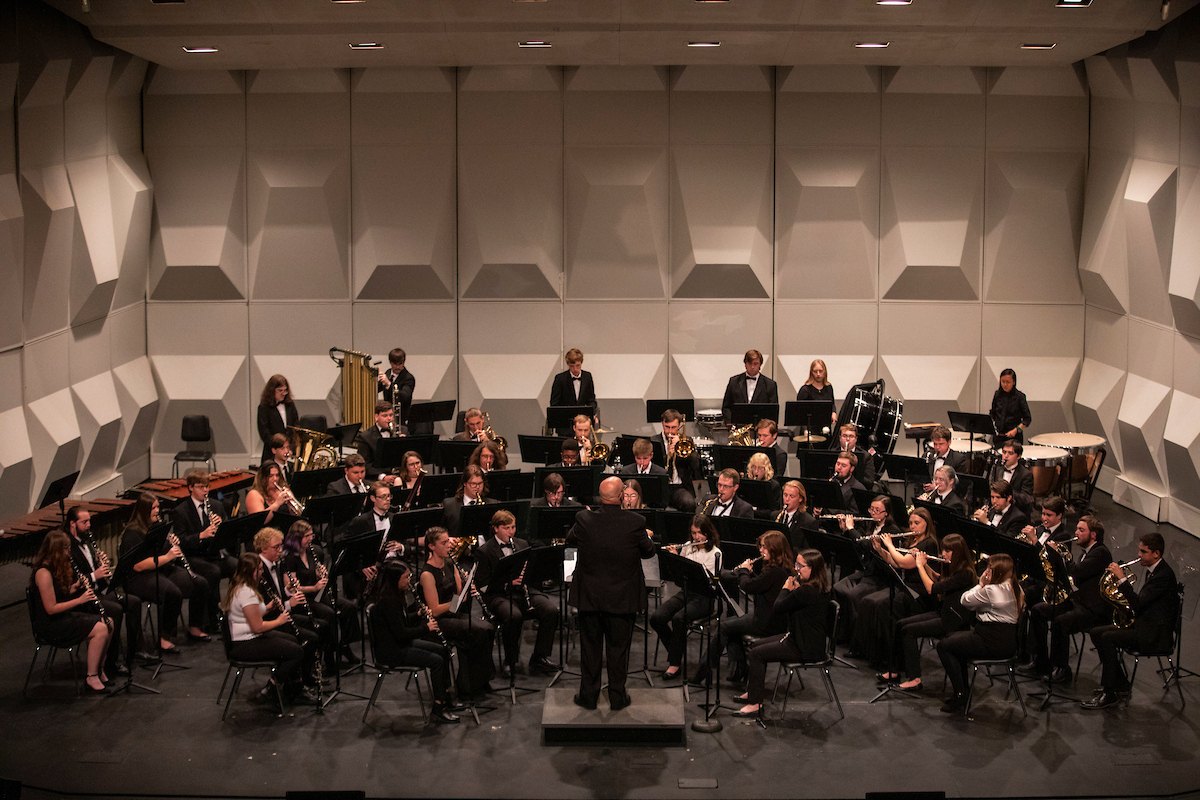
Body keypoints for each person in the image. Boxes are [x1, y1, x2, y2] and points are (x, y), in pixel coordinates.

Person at [566, 476, 657, 710]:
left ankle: (588, 696)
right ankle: (617, 697)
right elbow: (648, 553)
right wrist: (646, 536)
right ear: (620, 497)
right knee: (618, 650)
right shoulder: (635, 522)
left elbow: (570, 540)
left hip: (590, 596)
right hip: (621, 598)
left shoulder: (583, 519)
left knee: (590, 648)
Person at [1083, 532, 1179, 709]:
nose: (1139, 555)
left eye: (1143, 552)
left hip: (1154, 634)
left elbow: (1138, 603)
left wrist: (1122, 579)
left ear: (1156, 554)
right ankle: (1120, 684)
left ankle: (1109, 692)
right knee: (1096, 632)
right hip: (1145, 624)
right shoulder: (1155, 571)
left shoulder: (1163, 576)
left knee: (1107, 638)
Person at [734, 549, 832, 717]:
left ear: (813, 568)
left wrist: (786, 589)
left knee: (756, 653)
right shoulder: (819, 588)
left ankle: (755, 704)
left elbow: (778, 608)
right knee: (756, 645)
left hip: (804, 647)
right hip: (805, 640)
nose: (797, 569)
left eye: (801, 566)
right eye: (796, 564)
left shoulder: (805, 592)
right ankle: (753, 692)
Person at [700, 531, 794, 687]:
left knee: (725, 626)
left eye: (765, 547)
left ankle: (705, 669)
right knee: (731, 626)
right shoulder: (780, 568)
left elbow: (748, 586)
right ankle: (739, 667)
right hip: (769, 617)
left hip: (767, 622)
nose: (761, 551)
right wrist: (751, 573)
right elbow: (762, 584)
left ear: (775, 549)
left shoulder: (775, 571)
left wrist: (744, 571)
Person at [370, 560, 459, 723]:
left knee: (442, 650)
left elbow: (400, 622)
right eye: (406, 577)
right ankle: (439, 708)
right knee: (437, 661)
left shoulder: (396, 596)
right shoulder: (387, 602)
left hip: (400, 645)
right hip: (392, 652)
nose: (409, 580)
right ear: (396, 579)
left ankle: (445, 695)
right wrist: (427, 628)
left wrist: (417, 615)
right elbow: (402, 634)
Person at [1026, 515, 1113, 683]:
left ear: (1093, 534)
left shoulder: (1100, 552)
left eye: (1081, 530)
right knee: (1038, 610)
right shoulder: (1086, 552)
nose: (1076, 533)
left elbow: (1075, 572)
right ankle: (1040, 660)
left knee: (1060, 622)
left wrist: (1058, 554)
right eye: (1077, 529)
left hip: (1092, 609)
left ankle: (1062, 669)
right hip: (1077, 601)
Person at [852, 504, 939, 670]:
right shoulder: (912, 541)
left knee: (885, 607)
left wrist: (889, 544)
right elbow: (894, 563)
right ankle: (874, 655)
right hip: (906, 588)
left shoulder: (929, 544)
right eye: (911, 523)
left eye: (917, 523)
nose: (912, 526)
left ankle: (891, 662)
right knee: (872, 603)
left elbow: (904, 563)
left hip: (919, 594)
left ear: (926, 524)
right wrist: (880, 550)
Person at [119, 493, 211, 649]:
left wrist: (172, 545)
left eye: (157, 507)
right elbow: (138, 566)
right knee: (172, 593)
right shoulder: (132, 534)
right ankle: (164, 636)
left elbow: (165, 554)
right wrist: (169, 556)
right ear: (143, 510)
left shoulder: (157, 527)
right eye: (153, 508)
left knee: (199, 583)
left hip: (162, 569)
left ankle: (194, 627)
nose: (157, 511)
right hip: (139, 577)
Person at [475, 510, 559, 677]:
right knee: (514, 616)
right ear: (496, 529)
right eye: (507, 528)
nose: (511, 531)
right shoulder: (484, 551)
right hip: (498, 595)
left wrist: (525, 576)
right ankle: (510, 660)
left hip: (522, 590)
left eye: (513, 527)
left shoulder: (522, 544)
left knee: (551, 610)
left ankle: (539, 657)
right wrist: (508, 582)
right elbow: (483, 584)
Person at [937, 553, 1023, 714]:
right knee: (952, 640)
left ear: (996, 572)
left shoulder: (991, 590)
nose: (986, 570)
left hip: (990, 641)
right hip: (1008, 642)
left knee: (944, 646)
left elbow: (964, 600)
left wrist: (981, 584)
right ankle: (963, 689)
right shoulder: (1016, 588)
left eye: (990, 567)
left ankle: (961, 693)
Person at [890, 534, 978, 691]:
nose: (943, 554)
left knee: (908, 631)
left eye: (948, 551)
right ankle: (895, 671)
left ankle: (914, 679)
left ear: (958, 551)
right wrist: (924, 564)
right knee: (901, 624)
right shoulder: (955, 568)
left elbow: (932, 588)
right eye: (943, 550)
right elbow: (939, 580)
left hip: (953, 621)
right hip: (943, 613)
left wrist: (919, 566)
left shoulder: (966, 573)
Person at [66, 506, 146, 673]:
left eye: (89, 521)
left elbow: (91, 573)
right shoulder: (68, 548)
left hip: (97, 592)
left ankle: (136, 650)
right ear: (72, 524)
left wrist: (100, 565)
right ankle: (110, 662)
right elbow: (73, 581)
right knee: (115, 610)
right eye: (84, 522)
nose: (88, 525)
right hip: (82, 598)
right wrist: (95, 574)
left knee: (133, 602)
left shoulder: (86, 543)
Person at [31, 530, 112, 693]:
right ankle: (91, 677)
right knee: (101, 629)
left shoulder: (54, 568)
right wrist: (80, 600)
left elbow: (60, 594)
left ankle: (99, 668)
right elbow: (51, 608)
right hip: (51, 624)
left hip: (62, 617)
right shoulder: (43, 573)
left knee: (108, 622)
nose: (68, 553)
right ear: (55, 550)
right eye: (65, 549)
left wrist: (74, 588)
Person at [420, 526, 496, 698]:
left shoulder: (450, 563)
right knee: (479, 631)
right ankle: (468, 686)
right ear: (431, 546)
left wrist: (466, 584)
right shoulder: (427, 574)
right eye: (444, 543)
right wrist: (458, 600)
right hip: (439, 621)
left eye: (449, 541)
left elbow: (458, 593)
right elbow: (434, 610)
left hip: (453, 614)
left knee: (488, 628)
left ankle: (480, 680)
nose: (449, 546)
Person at [221, 552, 304, 710]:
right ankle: (271, 688)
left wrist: (267, 608)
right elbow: (257, 627)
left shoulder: (241, 587)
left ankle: (293, 687)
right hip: (244, 644)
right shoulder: (246, 593)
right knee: (296, 652)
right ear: (251, 571)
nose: (261, 572)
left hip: (248, 638)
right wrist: (279, 621)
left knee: (292, 641)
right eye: (259, 570)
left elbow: (249, 615)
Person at [254, 527, 327, 698]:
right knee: (309, 639)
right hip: (271, 621)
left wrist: (288, 590)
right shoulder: (258, 570)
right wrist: (289, 603)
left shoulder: (277, 564)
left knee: (321, 626)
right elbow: (266, 605)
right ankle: (296, 683)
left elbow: (279, 593)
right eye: (276, 547)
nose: (281, 551)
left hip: (283, 615)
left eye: (281, 546)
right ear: (264, 549)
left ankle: (305, 676)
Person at [652, 515, 723, 680]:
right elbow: (679, 575)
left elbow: (707, 582)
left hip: (704, 597)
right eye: (693, 533)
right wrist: (675, 557)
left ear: (708, 533)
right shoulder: (687, 547)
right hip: (686, 592)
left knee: (679, 618)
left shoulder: (715, 553)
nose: (696, 537)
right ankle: (676, 650)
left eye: (700, 533)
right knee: (657, 617)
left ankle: (674, 664)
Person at [282, 520, 360, 666]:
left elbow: (316, 573)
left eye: (312, 535)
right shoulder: (290, 558)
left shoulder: (314, 551)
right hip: (303, 599)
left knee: (348, 607)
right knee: (329, 614)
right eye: (307, 536)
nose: (311, 539)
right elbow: (291, 588)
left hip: (318, 594)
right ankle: (329, 657)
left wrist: (319, 575)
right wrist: (314, 587)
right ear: (297, 538)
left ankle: (344, 645)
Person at [831, 496, 901, 648]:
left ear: (886, 513)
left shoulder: (891, 531)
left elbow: (868, 546)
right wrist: (845, 530)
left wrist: (851, 529)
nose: (873, 513)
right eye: (871, 509)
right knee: (838, 588)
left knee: (852, 595)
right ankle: (842, 634)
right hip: (866, 572)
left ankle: (856, 641)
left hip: (879, 577)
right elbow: (857, 547)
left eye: (877, 510)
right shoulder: (871, 525)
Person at [171, 470, 236, 632]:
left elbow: (228, 535)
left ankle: (235, 612)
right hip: (194, 556)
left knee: (238, 565)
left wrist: (222, 526)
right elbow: (180, 541)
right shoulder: (181, 511)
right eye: (201, 487)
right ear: (190, 488)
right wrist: (201, 535)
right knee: (213, 572)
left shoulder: (217, 505)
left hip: (214, 553)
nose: (205, 491)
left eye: (207, 487)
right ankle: (210, 619)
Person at [652, 409, 701, 513]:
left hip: (679, 487)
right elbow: (654, 465)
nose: (670, 431)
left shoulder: (686, 441)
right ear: (662, 424)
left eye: (673, 427)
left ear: (678, 426)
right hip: (660, 486)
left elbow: (695, 465)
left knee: (689, 503)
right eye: (667, 427)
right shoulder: (653, 441)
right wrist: (668, 455)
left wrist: (680, 450)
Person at [721, 349, 779, 426]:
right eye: (749, 363)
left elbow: (773, 411)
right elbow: (726, 407)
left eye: (755, 364)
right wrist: (730, 423)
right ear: (745, 364)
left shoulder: (770, 384)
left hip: (761, 429)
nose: (752, 367)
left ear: (760, 365)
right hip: (738, 426)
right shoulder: (734, 381)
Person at [441, 466, 495, 538]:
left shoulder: (492, 504)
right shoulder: (449, 505)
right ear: (465, 483)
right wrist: (448, 539)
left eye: (480, 483)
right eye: (473, 484)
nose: (477, 487)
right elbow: (439, 532)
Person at [356, 401, 403, 482]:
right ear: (376, 417)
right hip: (378, 480)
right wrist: (383, 477)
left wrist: (404, 443)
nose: (389, 419)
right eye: (385, 416)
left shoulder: (401, 431)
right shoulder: (365, 437)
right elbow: (365, 464)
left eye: (391, 415)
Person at [257, 374, 298, 465]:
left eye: (285, 390)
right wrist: (280, 449)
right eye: (280, 391)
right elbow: (265, 433)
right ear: (272, 391)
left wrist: (289, 448)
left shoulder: (290, 405)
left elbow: (295, 427)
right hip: (271, 455)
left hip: (289, 453)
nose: (284, 393)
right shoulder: (264, 408)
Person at [549, 348, 598, 425]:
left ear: (581, 362)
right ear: (568, 365)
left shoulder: (587, 377)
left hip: (583, 424)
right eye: (572, 366)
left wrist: (593, 414)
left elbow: (591, 399)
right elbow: (554, 404)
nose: (575, 369)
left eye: (577, 365)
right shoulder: (560, 379)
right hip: (565, 424)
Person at [377, 347, 416, 432]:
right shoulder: (388, 373)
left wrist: (389, 384)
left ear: (404, 362)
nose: (397, 367)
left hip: (401, 419)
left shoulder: (408, 378)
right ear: (390, 362)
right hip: (388, 417)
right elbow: (377, 389)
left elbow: (404, 397)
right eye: (395, 364)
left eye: (400, 364)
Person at [989, 441, 1034, 513]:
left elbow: (1026, 498)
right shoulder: (997, 468)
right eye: (1004, 452)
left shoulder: (1026, 474)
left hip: (1015, 511)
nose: (1006, 456)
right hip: (997, 509)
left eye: (1010, 453)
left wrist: (1007, 494)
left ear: (1018, 456)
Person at [990, 368, 1031, 445]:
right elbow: (993, 413)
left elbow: (1027, 419)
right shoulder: (997, 395)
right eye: (1003, 382)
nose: (1005, 384)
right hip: (999, 437)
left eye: (1008, 382)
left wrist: (1016, 430)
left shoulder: (1020, 397)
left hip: (1014, 438)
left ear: (1014, 382)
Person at [776, 480, 818, 552]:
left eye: (791, 496)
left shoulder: (809, 522)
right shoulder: (775, 516)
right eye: (785, 495)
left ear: (800, 499)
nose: (787, 499)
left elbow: (808, 552)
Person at [923, 426, 968, 494]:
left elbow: (960, 486)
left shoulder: (959, 459)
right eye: (935, 444)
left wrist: (936, 488)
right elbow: (919, 480)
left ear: (949, 442)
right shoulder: (928, 456)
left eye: (941, 444)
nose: (937, 447)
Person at [832, 424, 876, 489]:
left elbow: (870, 482)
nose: (847, 439)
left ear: (856, 439)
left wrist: (853, 474)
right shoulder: (832, 453)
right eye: (844, 436)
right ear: (840, 438)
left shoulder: (865, 456)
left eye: (851, 436)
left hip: (855, 490)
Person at [795, 358, 836, 424]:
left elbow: (832, 403)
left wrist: (833, 412)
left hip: (825, 424)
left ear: (825, 372)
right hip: (809, 426)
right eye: (815, 371)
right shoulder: (805, 389)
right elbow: (800, 412)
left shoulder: (828, 388)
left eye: (820, 371)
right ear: (811, 373)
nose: (818, 374)